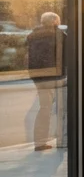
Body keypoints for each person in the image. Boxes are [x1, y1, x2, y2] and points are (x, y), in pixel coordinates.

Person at [26, 12, 65, 152]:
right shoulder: (58, 35)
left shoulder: (32, 36)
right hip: (54, 76)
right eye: (58, 21)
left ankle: (39, 143)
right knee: (62, 108)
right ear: (55, 22)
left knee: (44, 108)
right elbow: (66, 55)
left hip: (37, 76)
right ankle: (63, 139)